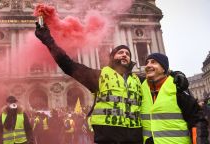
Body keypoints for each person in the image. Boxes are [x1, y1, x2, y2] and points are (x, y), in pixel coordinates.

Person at [34, 23, 189, 144]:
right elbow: (68, 64)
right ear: (112, 57)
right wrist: (48, 40)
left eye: (127, 53)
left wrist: (176, 74)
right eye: (120, 52)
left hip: (134, 140)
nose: (124, 55)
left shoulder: (140, 81)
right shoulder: (98, 76)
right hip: (108, 139)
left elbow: (159, 77)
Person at [140, 53, 209, 144]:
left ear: (164, 68)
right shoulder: (140, 88)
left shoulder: (178, 87)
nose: (148, 65)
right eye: (147, 63)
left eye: (153, 62)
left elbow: (197, 121)